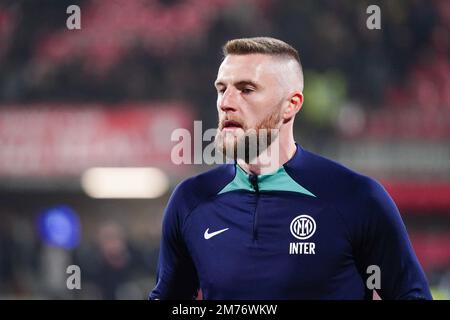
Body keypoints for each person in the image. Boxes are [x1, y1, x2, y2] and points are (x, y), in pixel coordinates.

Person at [149, 37, 432, 300]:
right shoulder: (191, 200)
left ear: (290, 105)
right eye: (222, 89)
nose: (226, 103)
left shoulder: (356, 197)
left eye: (246, 90)